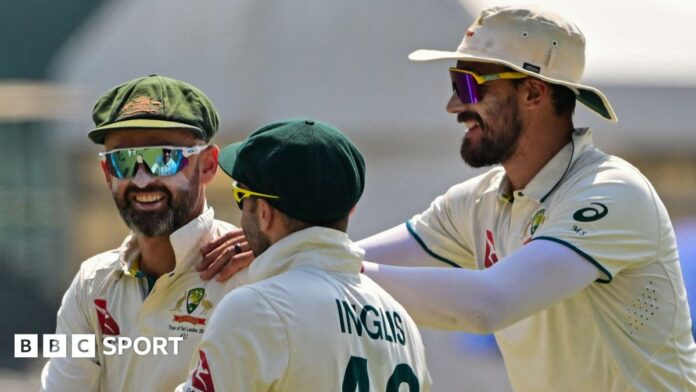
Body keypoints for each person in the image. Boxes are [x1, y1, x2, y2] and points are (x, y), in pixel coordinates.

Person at [199, 6, 696, 391]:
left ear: (534, 93)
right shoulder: (479, 201)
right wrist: (292, 253)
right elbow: (356, 260)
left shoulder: (612, 192)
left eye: (468, 84)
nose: (453, 105)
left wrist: (305, 263)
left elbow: (488, 305)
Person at [176, 119, 431, 391]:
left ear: (263, 212)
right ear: (349, 210)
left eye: (242, 196)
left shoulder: (257, 307)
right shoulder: (402, 321)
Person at [41, 75, 250, 391]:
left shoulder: (252, 272)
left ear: (208, 165)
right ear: (106, 173)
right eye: (122, 161)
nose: (141, 181)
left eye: (163, 158)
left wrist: (283, 252)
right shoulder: (91, 283)